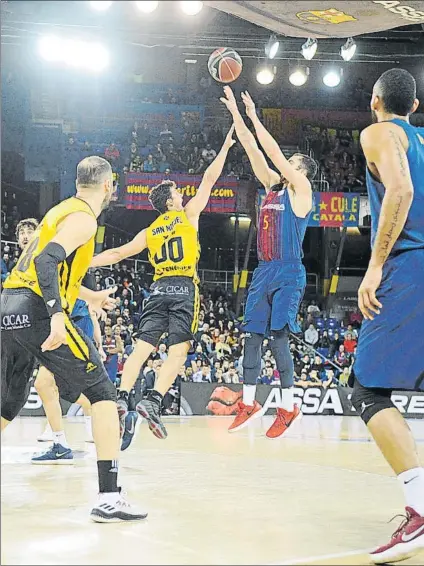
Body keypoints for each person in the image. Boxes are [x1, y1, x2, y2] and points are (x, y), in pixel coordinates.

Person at [1, 156, 147, 522]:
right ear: (109, 185)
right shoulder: (83, 219)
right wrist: (55, 314)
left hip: (8, 306)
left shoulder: (59, 212)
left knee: (9, 402)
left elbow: (43, 266)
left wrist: (90, 297)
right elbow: (45, 263)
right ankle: (110, 497)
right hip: (37, 310)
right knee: (103, 395)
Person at [90, 127, 236, 448]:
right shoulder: (187, 215)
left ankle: (122, 396)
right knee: (178, 352)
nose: (182, 194)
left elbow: (116, 254)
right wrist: (224, 146)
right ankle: (153, 399)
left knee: (141, 349)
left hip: (158, 288)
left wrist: (86, 261)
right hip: (184, 286)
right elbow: (210, 179)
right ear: (170, 201)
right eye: (177, 192)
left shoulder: (150, 230)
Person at [350, 69, 424, 563]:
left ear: (375, 100)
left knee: (365, 389)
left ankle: (420, 510)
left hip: (410, 267)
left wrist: (375, 265)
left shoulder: (377, 132)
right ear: (414, 106)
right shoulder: (420, 137)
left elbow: (400, 192)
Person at [220, 86, 317, 439]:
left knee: (278, 338)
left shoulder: (302, 191)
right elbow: (251, 147)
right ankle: (249, 402)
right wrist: (236, 113)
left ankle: (288, 406)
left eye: (291, 164)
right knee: (251, 335)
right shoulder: (271, 188)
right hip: (264, 270)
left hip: (289, 270)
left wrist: (257, 117)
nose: (284, 166)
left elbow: (273, 153)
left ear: (301, 172)